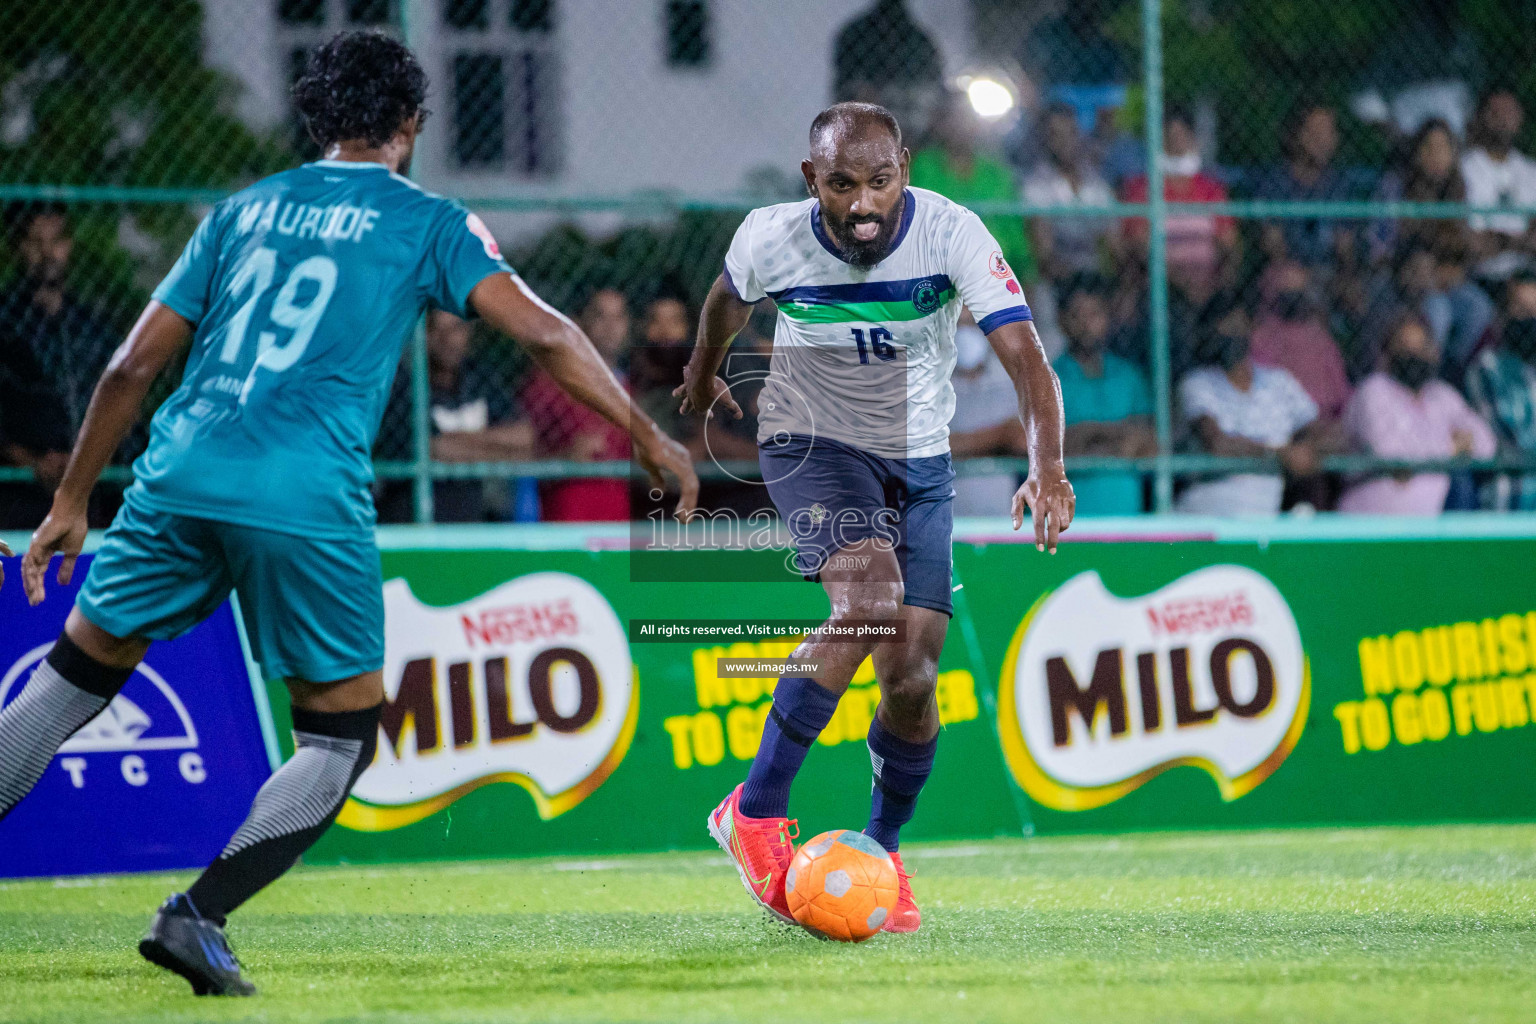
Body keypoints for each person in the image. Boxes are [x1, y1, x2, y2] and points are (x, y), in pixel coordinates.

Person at [0, 31, 696, 996]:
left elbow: (128, 367)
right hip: (302, 493)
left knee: (67, 687)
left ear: (315, 121)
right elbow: (542, 330)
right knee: (340, 739)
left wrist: (72, 497)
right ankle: (196, 915)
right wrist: (647, 434)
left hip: (178, 473)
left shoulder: (241, 210)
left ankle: (190, 912)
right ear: (410, 124)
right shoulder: (425, 220)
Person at [680, 102, 1073, 934]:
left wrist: (1047, 465)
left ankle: (882, 850)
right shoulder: (769, 236)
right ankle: (753, 812)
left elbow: (1027, 359)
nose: (863, 203)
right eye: (842, 184)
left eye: (880, 181)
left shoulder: (953, 232)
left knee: (913, 679)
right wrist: (702, 371)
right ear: (809, 179)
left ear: (906, 169)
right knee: (864, 608)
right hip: (811, 440)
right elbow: (724, 303)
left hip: (919, 459)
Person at [1176, 293, 1327, 516]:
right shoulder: (1198, 384)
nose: (1230, 334)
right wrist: (1280, 454)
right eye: (1222, 328)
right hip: (1206, 516)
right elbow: (1217, 443)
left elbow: (1318, 429)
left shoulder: (1279, 382)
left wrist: (1306, 448)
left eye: (1236, 326)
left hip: (1263, 517)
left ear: (1250, 327)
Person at [375, 309, 533, 523]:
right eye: (438, 330)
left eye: (457, 328)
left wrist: (453, 440)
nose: (448, 339)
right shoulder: (404, 384)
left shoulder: (479, 376)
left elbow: (524, 437)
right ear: (425, 335)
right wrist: (499, 450)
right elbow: (430, 449)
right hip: (412, 518)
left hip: (476, 520)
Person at [1339, 312, 1494, 515]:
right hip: (1373, 521)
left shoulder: (1441, 394)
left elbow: (1486, 444)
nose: (1414, 356)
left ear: (1435, 353)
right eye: (1405, 349)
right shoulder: (1374, 390)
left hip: (1429, 523)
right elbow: (1389, 453)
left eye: (1422, 349)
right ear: (1386, 355)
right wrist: (1452, 446)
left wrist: (1417, 457)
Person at [520, 287, 634, 521]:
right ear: (579, 323)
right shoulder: (550, 384)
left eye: (618, 317)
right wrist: (564, 458)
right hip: (568, 521)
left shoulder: (633, 388)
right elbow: (521, 449)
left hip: (620, 523)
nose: (611, 326)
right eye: (600, 316)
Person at [1052, 275, 1153, 515]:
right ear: (1062, 321)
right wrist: (1118, 435)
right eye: (1078, 315)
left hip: (1127, 518)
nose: (1087, 324)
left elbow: (1148, 443)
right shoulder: (1048, 377)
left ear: (1108, 318)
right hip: (1065, 521)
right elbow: (1053, 450)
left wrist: (1086, 434)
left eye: (1095, 314)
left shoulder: (1129, 376)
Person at [911, 91, 1034, 284]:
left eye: (966, 118)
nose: (961, 125)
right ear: (941, 124)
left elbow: (1015, 235)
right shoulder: (922, 167)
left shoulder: (996, 173)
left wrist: (1025, 276)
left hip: (994, 273)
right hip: (939, 272)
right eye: (954, 117)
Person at [1120, 107, 1238, 306]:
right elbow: (1139, 244)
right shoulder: (1142, 188)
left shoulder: (1211, 189)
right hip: (1160, 285)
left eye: (1181, 136)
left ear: (1193, 139)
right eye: (1169, 137)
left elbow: (1229, 242)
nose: (1175, 143)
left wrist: (1220, 283)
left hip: (1210, 286)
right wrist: (1180, 281)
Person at [1254, 100, 1360, 279]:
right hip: (1289, 272)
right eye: (1314, 131)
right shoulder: (1275, 182)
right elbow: (1273, 243)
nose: (1322, 140)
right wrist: (1300, 274)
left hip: (1329, 273)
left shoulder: (1340, 185)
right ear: (1295, 135)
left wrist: (1346, 278)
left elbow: (1345, 246)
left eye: (1328, 132)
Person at [1462, 273, 1536, 510]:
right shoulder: (1486, 369)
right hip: (1510, 497)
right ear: (1503, 314)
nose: (1531, 319)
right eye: (1522, 309)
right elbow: (1506, 438)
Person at [1248, 259, 1352, 424]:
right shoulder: (1262, 336)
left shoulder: (1320, 337)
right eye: (1287, 293)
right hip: (1281, 421)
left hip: (1325, 422)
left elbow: (1341, 393)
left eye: (1298, 293)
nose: (1294, 299)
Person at [1022, 102, 1115, 285]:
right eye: (1057, 135)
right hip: (1059, 278)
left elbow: (1112, 241)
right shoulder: (1035, 185)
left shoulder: (1096, 183)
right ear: (1046, 140)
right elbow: (1045, 254)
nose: (1066, 141)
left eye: (1071, 133)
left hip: (1096, 275)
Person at [948, 311, 1026, 516]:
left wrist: (957, 444)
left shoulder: (1010, 377)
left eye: (973, 323)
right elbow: (920, 447)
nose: (965, 332)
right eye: (958, 323)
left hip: (1002, 520)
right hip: (948, 521)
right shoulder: (928, 381)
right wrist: (1000, 438)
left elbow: (1021, 440)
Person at [1461, 88, 1536, 282]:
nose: (1503, 120)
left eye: (1509, 112)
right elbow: (1472, 240)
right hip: (1479, 275)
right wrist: (1520, 241)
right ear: (1480, 117)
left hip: (1527, 272)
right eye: (1495, 113)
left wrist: (1501, 242)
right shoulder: (1465, 168)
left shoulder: (1530, 170)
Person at [1369, 118, 1466, 265]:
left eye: (1442, 148)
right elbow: (1382, 247)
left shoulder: (1458, 187)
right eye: (1428, 147)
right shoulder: (1395, 185)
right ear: (1417, 152)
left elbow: (1462, 243)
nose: (1435, 156)